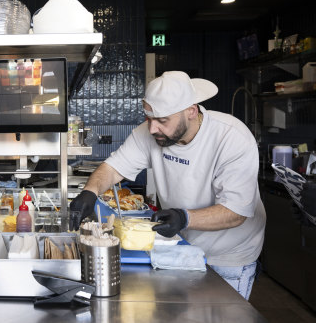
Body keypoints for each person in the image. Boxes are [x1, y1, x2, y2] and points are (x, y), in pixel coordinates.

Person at [69, 71, 266, 300]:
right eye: (148, 119)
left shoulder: (231, 137)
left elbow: (236, 212)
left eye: (162, 121)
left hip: (229, 256)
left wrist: (184, 218)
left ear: (191, 111)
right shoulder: (151, 133)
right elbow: (112, 168)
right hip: (184, 246)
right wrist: (90, 192)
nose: (153, 129)